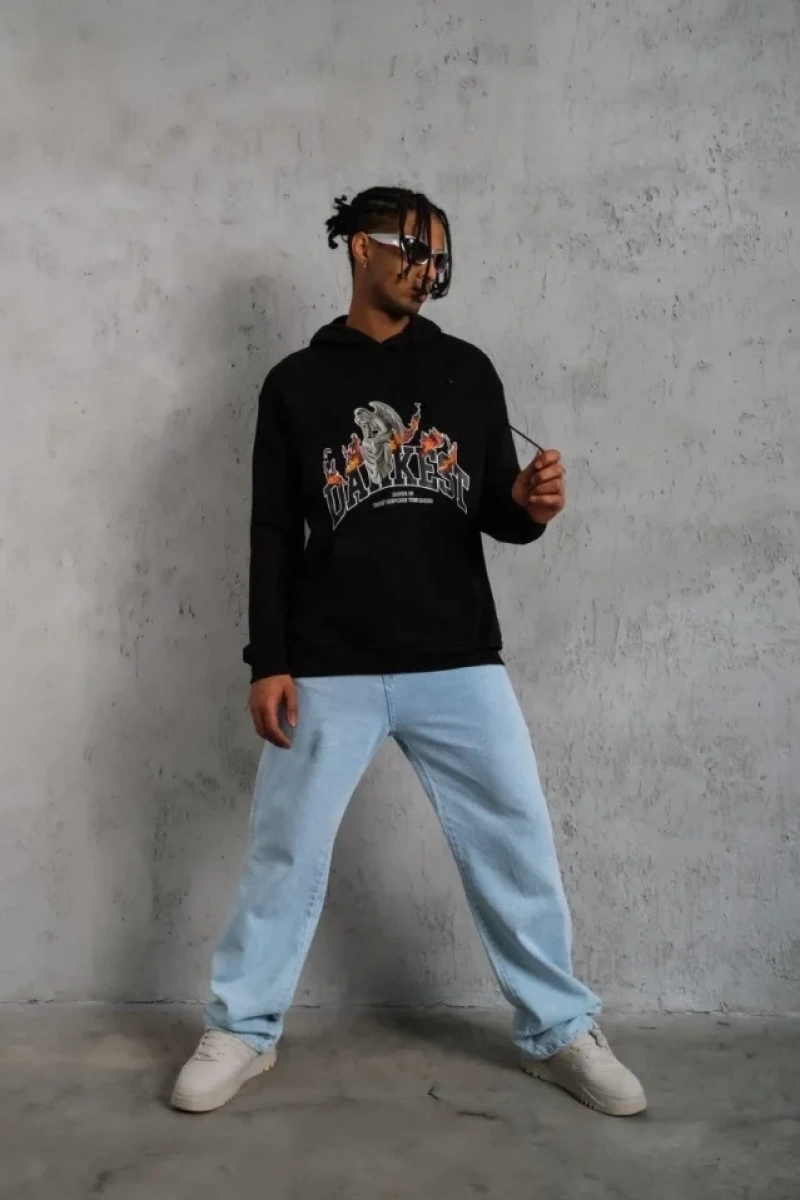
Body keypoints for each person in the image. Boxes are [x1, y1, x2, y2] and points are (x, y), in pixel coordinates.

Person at [171, 186, 646, 1117]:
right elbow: (272, 531)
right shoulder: (295, 384)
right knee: (283, 851)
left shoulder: (467, 371)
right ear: (360, 246)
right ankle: (243, 1028)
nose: (429, 269)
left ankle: (559, 1030)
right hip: (327, 662)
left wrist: (531, 506)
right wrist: (268, 660)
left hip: (457, 656)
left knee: (516, 841)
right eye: (414, 249)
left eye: (440, 257)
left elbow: (495, 509)